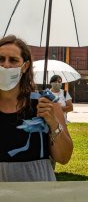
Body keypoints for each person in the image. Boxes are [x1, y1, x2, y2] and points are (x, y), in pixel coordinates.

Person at [0, 35, 73, 181]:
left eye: (13, 60)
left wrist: (53, 123)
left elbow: (64, 158)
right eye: (0, 59)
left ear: (25, 67)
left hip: (38, 191)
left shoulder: (46, 104)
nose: (6, 65)